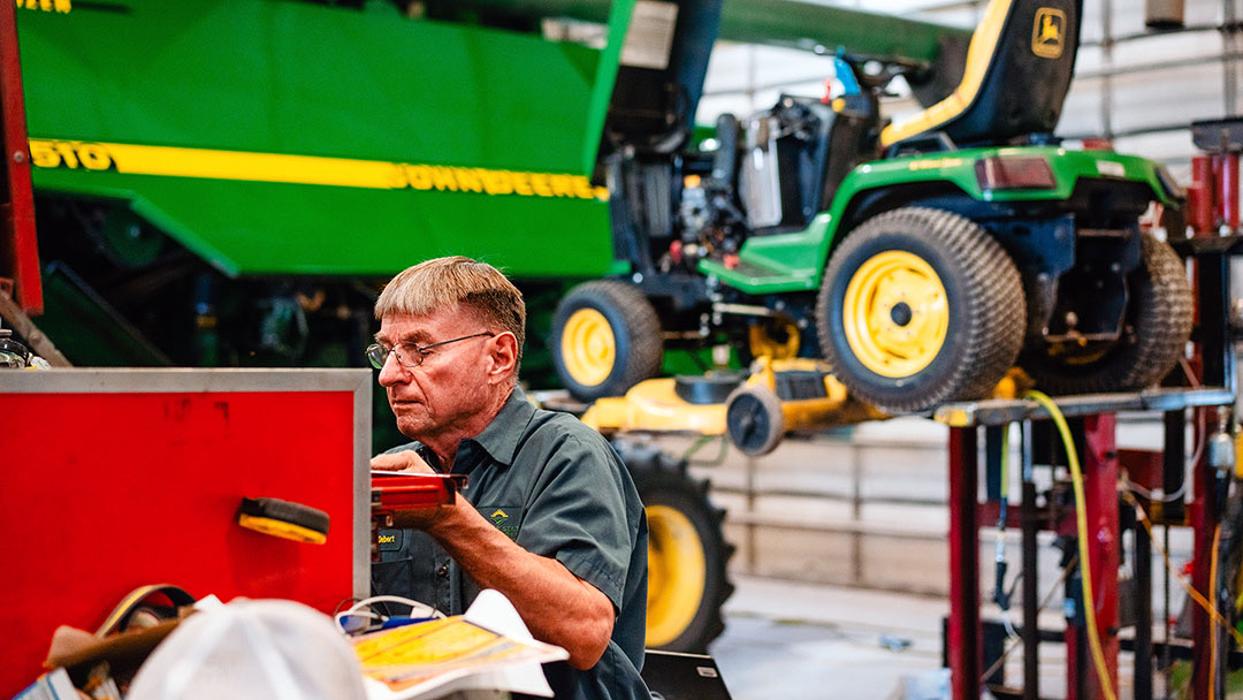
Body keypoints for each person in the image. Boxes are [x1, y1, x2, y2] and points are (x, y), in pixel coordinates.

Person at [366, 256, 649, 700]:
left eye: (420, 350)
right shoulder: (396, 469)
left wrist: (447, 517)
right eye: (387, 351)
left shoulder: (567, 454)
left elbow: (584, 632)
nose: (389, 375)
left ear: (499, 357)